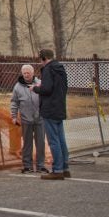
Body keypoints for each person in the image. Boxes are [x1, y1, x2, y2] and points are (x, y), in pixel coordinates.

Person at [31, 49, 70, 180]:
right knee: (61, 140)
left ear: (43, 58)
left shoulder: (48, 69)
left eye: (39, 59)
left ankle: (57, 170)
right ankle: (65, 168)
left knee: (53, 141)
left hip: (50, 109)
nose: (39, 62)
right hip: (59, 108)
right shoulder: (60, 68)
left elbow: (47, 89)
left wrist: (35, 88)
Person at [10, 64, 48, 173]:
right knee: (27, 143)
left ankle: (41, 165)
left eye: (28, 73)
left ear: (33, 73)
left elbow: (46, 97)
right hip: (26, 120)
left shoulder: (40, 83)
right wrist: (13, 116)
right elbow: (14, 102)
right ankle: (27, 165)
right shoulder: (17, 86)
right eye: (24, 73)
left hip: (40, 119)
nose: (26, 75)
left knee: (40, 143)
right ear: (22, 73)